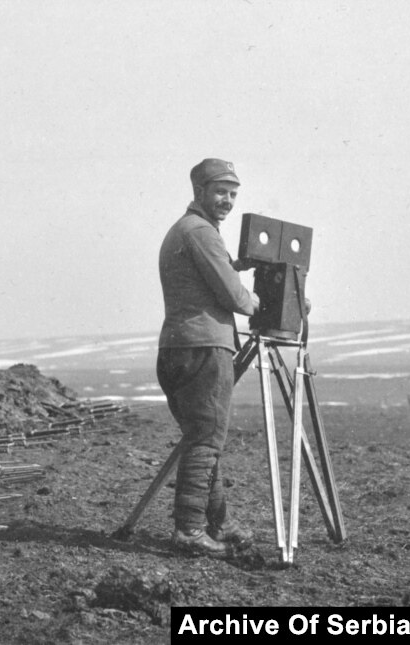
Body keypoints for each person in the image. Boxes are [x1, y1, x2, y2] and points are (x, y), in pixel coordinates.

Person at [157, 158, 260, 557]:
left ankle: (219, 523)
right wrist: (255, 298)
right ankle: (189, 531)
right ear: (199, 191)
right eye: (220, 192)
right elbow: (235, 297)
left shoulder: (187, 231)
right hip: (203, 349)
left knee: (203, 437)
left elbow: (202, 279)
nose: (228, 201)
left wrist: (232, 266)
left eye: (233, 194)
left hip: (177, 347)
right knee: (206, 439)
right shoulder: (201, 231)